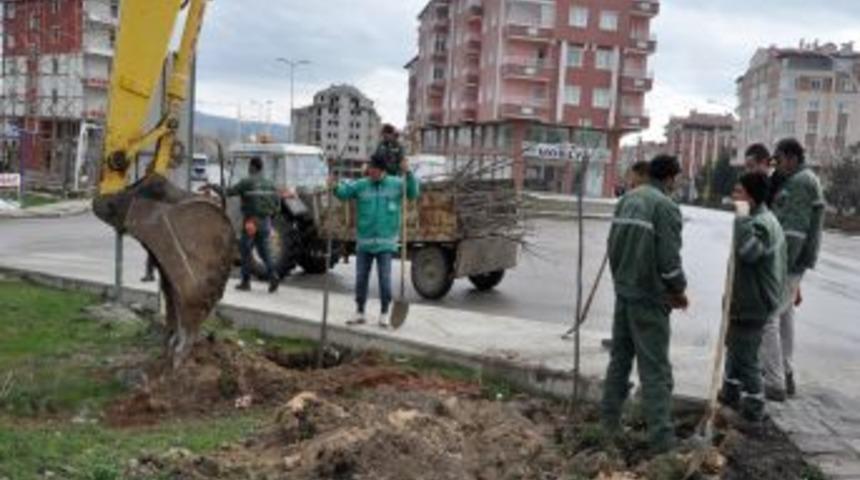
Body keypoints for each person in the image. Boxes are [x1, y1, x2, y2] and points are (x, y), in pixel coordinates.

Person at [601, 155, 688, 455]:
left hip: (624, 293)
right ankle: (662, 441)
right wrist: (678, 290)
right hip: (650, 299)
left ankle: (608, 425)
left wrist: (621, 282)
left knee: (619, 361)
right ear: (670, 178)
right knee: (655, 370)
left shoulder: (628, 199)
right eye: (677, 179)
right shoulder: (665, 207)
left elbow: (612, 246)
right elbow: (669, 262)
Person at [718, 172, 787, 426]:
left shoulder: (761, 224)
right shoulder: (762, 219)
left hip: (754, 302)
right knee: (736, 351)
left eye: (739, 192)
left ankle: (754, 410)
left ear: (751, 198)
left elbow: (749, 253)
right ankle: (729, 395)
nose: (734, 196)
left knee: (746, 356)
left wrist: (741, 219)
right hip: (747, 300)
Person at [760, 138, 825, 401]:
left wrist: (780, 266)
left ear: (792, 158)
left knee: (768, 317)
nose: (776, 165)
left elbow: (795, 231)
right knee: (785, 316)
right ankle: (785, 373)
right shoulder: (802, 179)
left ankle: (774, 381)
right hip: (796, 261)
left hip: (789, 261)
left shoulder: (800, 183)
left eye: (779, 159)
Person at [331, 153, 419, 328]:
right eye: (370, 168)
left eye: (375, 169)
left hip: (386, 243)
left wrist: (408, 173)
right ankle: (360, 312)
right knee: (361, 279)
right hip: (364, 243)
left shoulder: (395, 184)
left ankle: (384, 313)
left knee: (384, 280)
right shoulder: (362, 185)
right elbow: (344, 193)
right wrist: (334, 186)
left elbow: (412, 193)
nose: (371, 172)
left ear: (383, 170)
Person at [210, 156, 280, 293]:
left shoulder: (246, 182)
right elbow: (277, 204)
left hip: (251, 222)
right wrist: (269, 217)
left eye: (249, 166)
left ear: (252, 167)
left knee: (245, 251)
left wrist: (214, 187)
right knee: (264, 251)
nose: (248, 169)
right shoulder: (270, 183)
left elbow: (227, 192)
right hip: (266, 221)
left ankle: (246, 282)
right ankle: (273, 276)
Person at [744, 143, 784, 207]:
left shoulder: (777, 182)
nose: (748, 171)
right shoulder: (764, 181)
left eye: (751, 166)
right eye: (746, 167)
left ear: (764, 162)